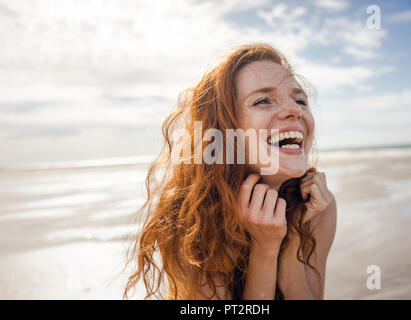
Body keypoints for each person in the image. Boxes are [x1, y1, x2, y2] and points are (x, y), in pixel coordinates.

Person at [124, 43, 337, 300]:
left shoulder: (317, 206)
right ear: (225, 129)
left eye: (300, 99)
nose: (294, 110)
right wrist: (265, 248)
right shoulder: (192, 219)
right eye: (262, 100)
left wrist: (294, 235)